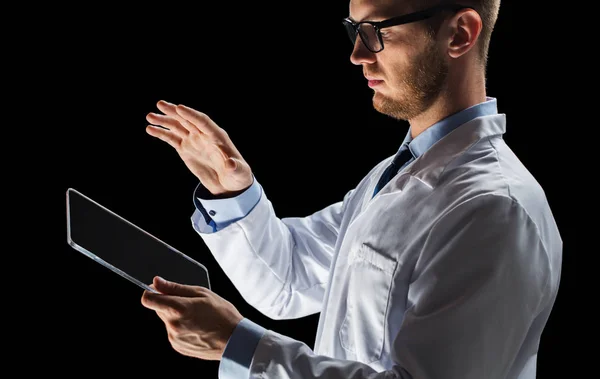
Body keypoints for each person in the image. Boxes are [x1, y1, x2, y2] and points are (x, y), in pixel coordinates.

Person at [140, 0, 563, 378]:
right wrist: (230, 189)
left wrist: (245, 350)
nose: (357, 54)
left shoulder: (494, 210)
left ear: (459, 33)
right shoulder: (395, 174)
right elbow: (288, 280)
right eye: (354, 29)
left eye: (377, 31)